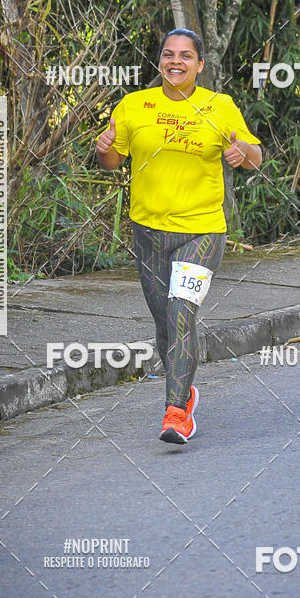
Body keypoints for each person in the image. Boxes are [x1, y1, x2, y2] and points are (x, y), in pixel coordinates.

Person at [96, 28, 262, 444]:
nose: (176, 62)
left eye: (186, 56)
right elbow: (112, 162)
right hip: (149, 233)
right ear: (160, 61)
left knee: (181, 311)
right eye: (169, 54)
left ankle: (175, 413)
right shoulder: (134, 106)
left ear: (200, 65)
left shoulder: (219, 107)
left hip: (202, 231)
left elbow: (255, 155)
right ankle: (184, 391)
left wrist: (242, 152)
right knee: (165, 325)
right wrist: (104, 148)